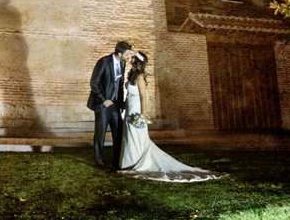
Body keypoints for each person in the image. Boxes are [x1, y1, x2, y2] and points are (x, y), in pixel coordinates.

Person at [119, 51, 225, 182]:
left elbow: (143, 96)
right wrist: (124, 104)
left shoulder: (140, 76)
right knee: (129, 134)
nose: (131, 58)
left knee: (137, 135)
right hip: (130, 106)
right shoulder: (132, 74)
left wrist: (143, 114)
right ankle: (129, 162)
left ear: (137, 61)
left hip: (136, 108)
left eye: (134, 57)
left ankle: (137, 162)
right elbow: (129, 93)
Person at [87, 40, 132, 169]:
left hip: (116, 105)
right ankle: (99, 161)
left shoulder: (122, 64)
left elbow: (119, 85)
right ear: (119, 54)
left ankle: (116, 161)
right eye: (127, 54)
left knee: (118, 133)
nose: (129, 57)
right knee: (100, 134)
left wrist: (121, 102)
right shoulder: (104, 62)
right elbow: (94, 83)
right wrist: (103, 100)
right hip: (103, 105)